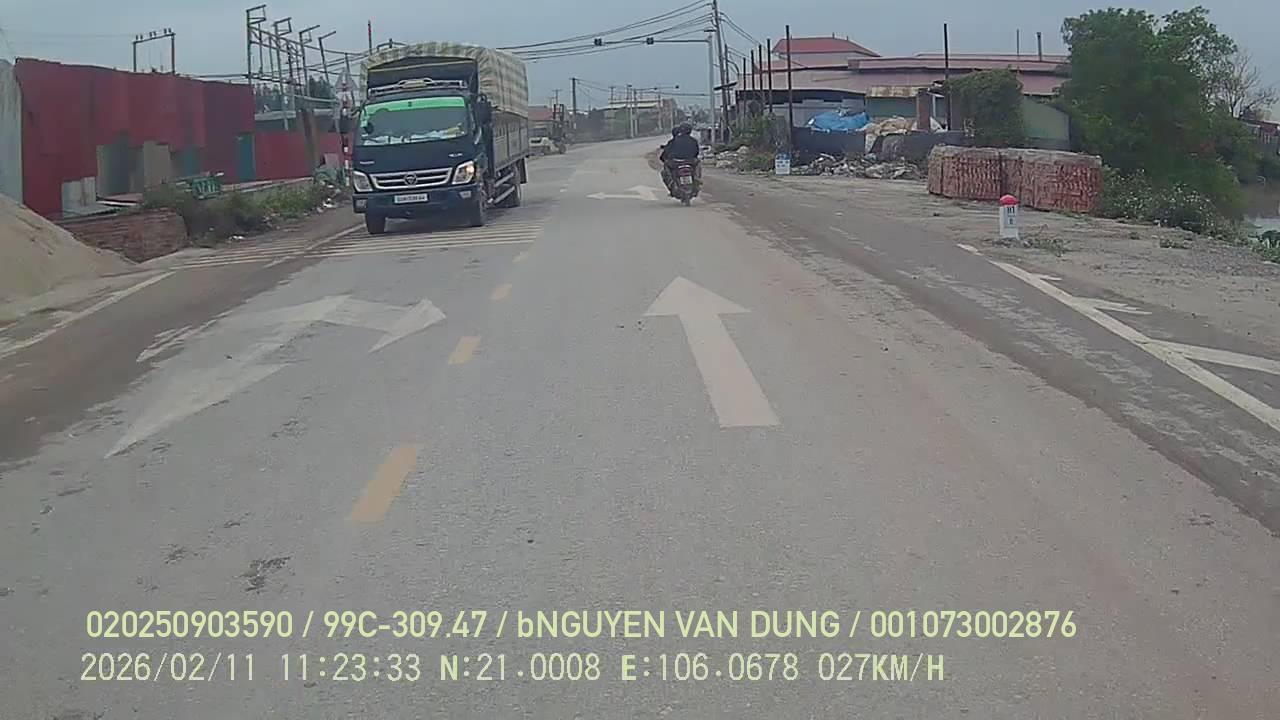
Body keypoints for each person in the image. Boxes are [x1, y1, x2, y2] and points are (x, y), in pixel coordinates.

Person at [659, 123, 702, 195]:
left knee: (665, 170)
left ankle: (671, 183)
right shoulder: (693, 141)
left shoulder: (673, 141)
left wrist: (665, 159)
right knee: (698, 162)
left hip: (675, 163)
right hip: (690, 162)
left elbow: (664, 154)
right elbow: (696, 153)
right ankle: (697, 179)